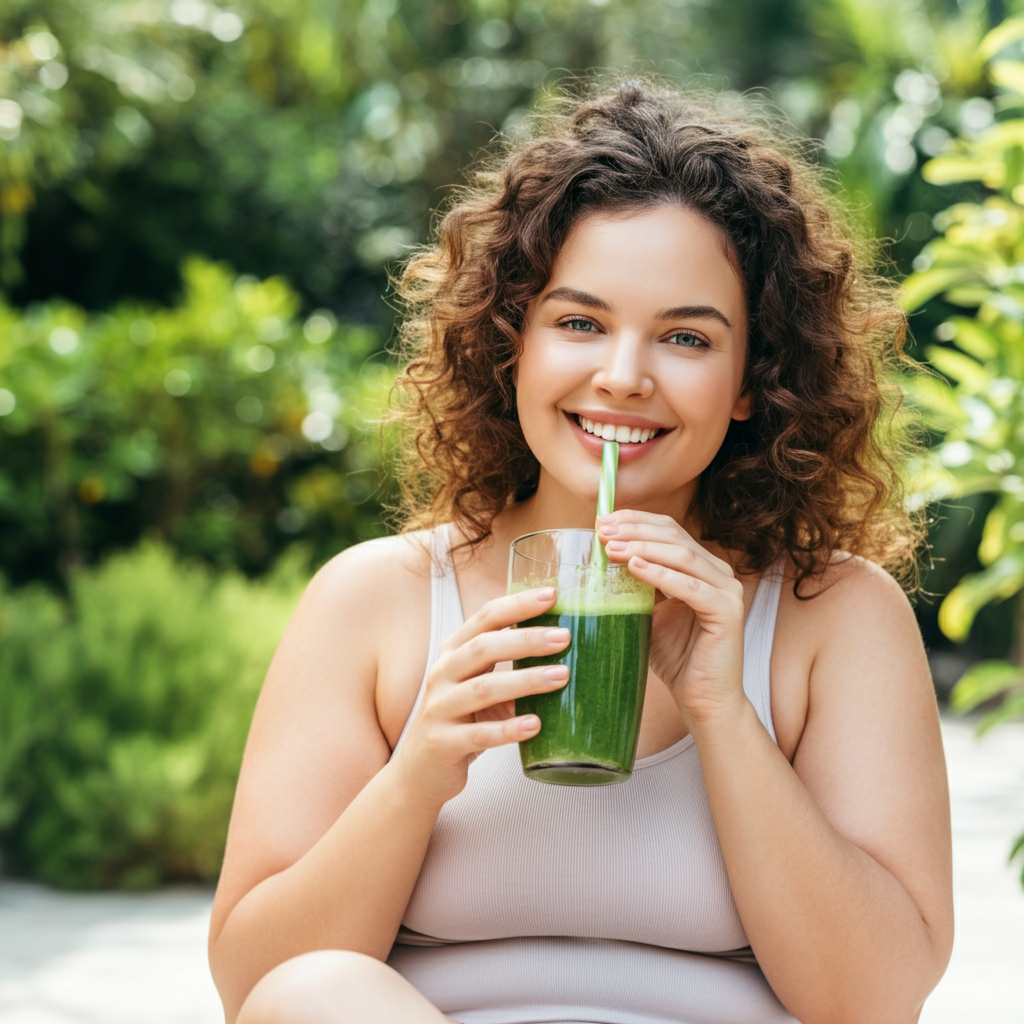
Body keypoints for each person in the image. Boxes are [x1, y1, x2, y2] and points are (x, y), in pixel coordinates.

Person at [208, 80, 953, 1024]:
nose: (623, 377)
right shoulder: (375, 601)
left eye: (686, 337)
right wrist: (417, 778)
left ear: (751, 383)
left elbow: (875, 1003)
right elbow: (256, 987)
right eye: (580, 323)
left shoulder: (832, 616)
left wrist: (722, 711)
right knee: (318, 990)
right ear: (512, 342)